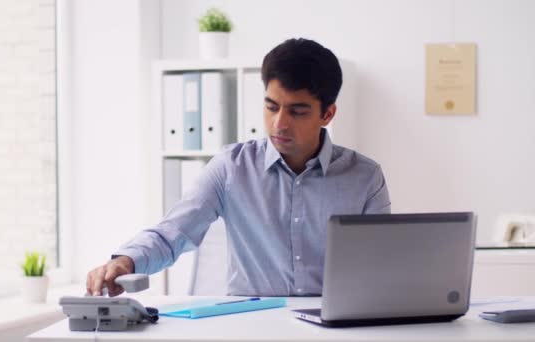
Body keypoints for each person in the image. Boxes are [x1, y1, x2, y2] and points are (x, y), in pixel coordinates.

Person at [86, 38, 391, 297]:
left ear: (327, 114)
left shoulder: (364, 178)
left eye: (297, 111)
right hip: (249, 326)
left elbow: (381, 265)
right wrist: (127, 260)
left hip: (333, 329)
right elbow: (173, 231)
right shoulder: (231, 168)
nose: (279, 123)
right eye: (271, 106)